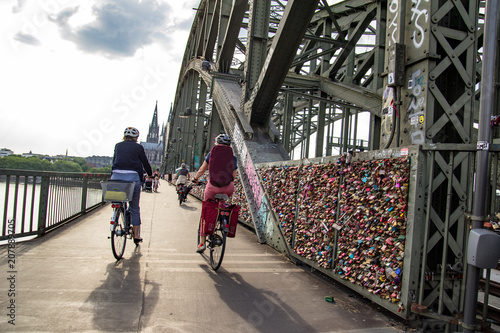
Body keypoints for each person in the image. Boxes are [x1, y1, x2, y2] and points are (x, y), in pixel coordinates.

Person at [192, 133, 237, 253]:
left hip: (213, 187)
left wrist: (195, 178)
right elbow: (233, 176)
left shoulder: (211, 153)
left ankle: (202, 243)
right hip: (228, 188)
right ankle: (223, 223)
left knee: (205, 213)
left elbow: (202, 169)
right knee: (223, 204)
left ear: (216, 143)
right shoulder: (233, 157)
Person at [111, 127, 152, 244]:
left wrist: (112, 177)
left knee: (117, 201)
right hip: (133, 179)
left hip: (116, 177)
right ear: (136, 138)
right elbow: (145, 162)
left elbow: (114, 162)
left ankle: (116, 212)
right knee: (134, 207)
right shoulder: (138, 147)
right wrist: (150, 174)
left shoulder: (117, 146)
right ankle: (136, 235)